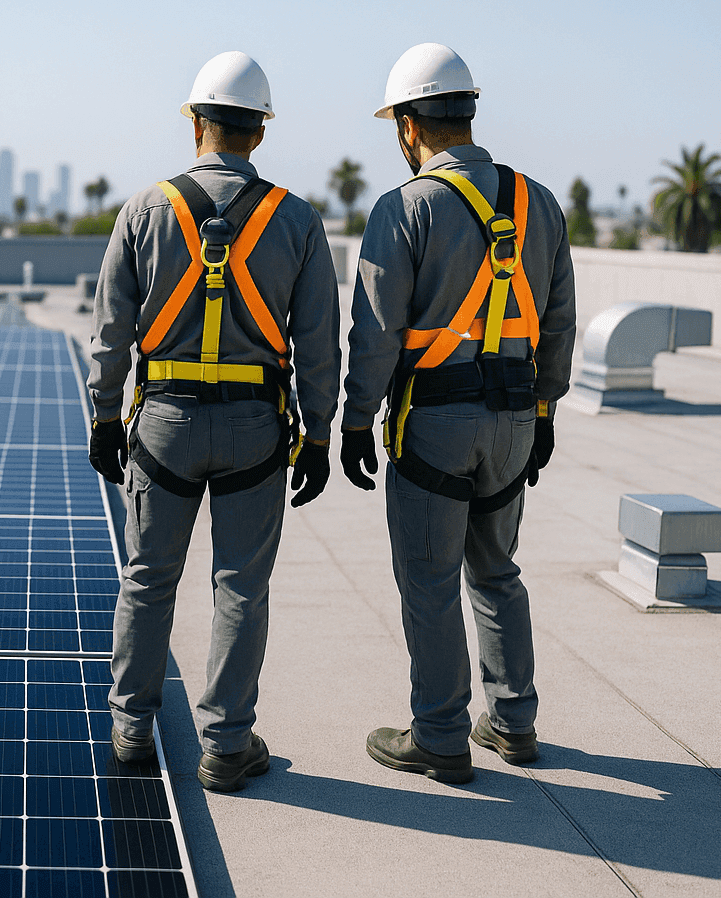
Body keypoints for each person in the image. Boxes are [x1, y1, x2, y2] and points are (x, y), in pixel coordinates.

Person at [88, 50, 341, 793]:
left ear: (196, 125)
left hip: (163, 424)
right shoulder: (295, 219)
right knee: (239, 586)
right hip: (255, 429)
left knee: (147, 578)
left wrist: (105, 417)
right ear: (258, 133)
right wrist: (319, 433)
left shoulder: (144, 209)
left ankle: (132, 727)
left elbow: (110, 330)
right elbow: (319, 340)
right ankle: (227, 743)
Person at [341, 42, 576, 784]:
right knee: (498, 571)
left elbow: (376, 331)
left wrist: (353, 420)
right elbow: (560, 321)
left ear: (409, 125)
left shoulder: (404, 208)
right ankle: (513, 721)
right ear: (468, 113)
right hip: (513, 421)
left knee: (431, 580)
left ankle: (440, 734)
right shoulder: (538, 201)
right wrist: (543, 411)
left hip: (435, 426)